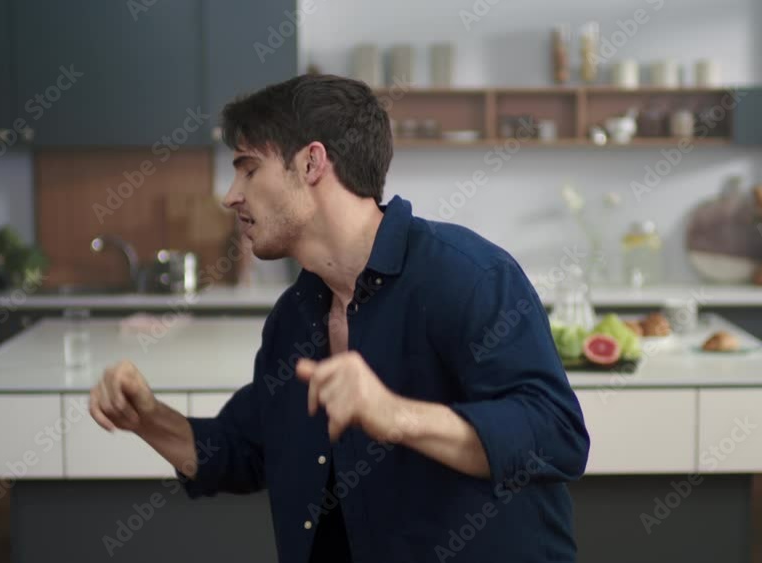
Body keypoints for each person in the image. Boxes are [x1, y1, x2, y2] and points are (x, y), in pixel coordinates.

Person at [88, 74, 590, 563]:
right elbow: (245, 449)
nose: (230, 195)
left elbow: (557, 433)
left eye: (247, 169)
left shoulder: (467, 275)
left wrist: (397, 415)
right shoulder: (295, 316)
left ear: (311, 163)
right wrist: (148, 419)